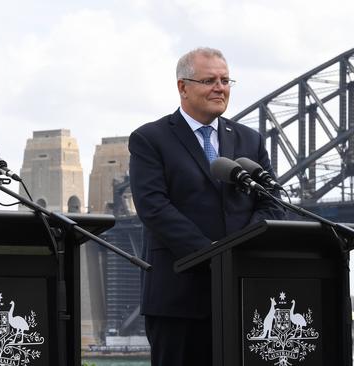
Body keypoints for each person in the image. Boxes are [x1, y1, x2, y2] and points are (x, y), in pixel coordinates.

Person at [129, 47, 285, 365]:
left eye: (226, 80)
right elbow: (153, 207)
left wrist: (239, 253)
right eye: (209, 80)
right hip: (178, 296)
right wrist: (213, 255)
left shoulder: (249, 140)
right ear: (182, 87)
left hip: (241, 295)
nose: (220, 88)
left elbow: (271, 202)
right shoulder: (150, 139)